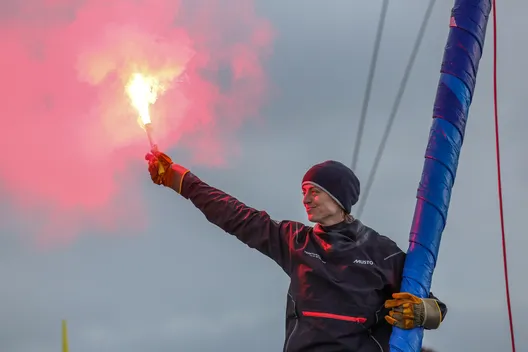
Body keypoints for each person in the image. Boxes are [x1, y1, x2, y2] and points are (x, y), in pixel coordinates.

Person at [145, 150, 447, 352]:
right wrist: (179, 179)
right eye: (304, 192)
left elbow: (435, 307)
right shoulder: (295, 241)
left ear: (338, 198)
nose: (307, 198)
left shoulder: (382, 252)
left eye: (314, 191)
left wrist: (424, 312)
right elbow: (235, 215)